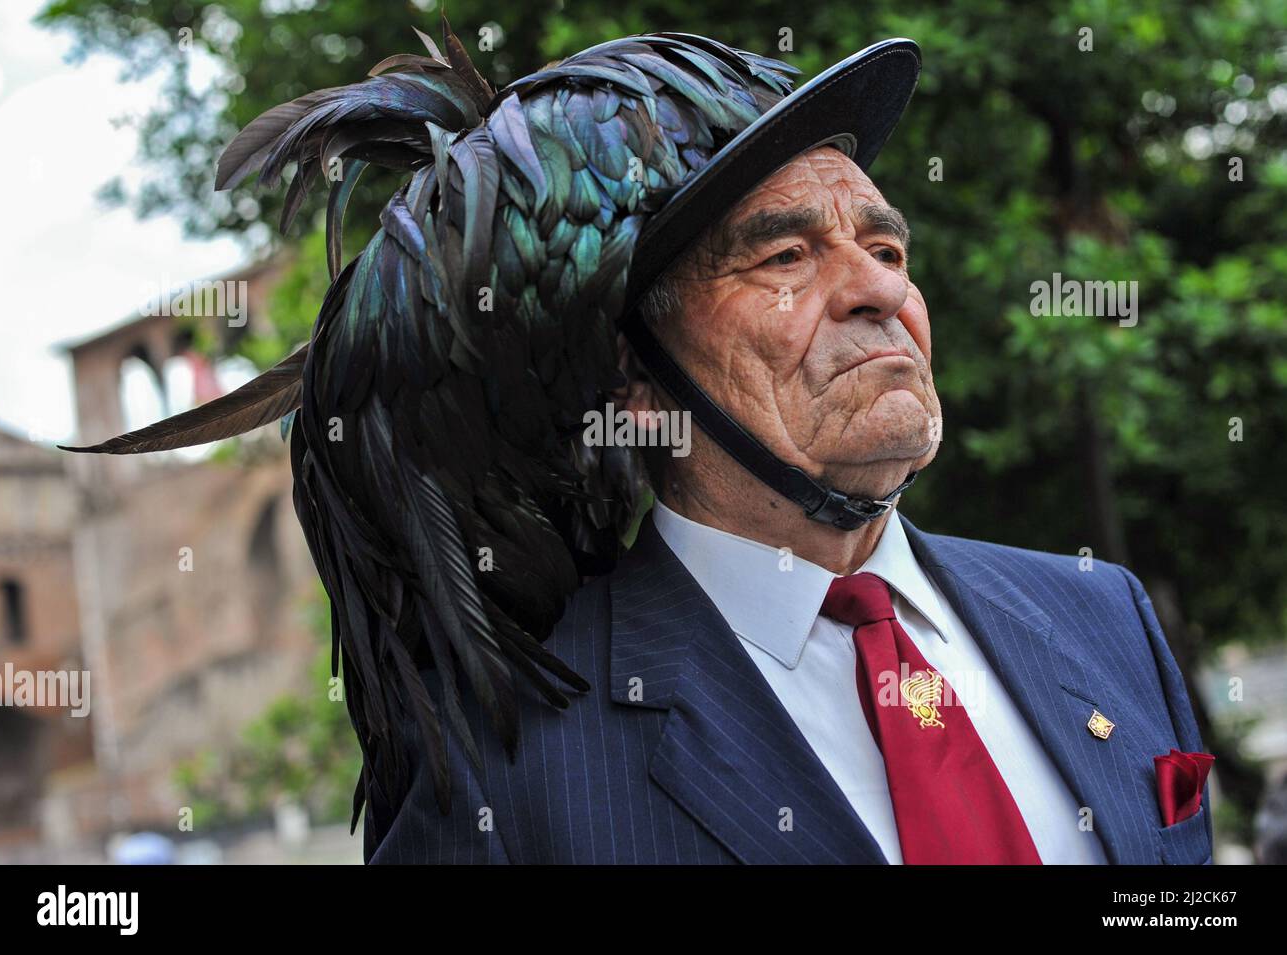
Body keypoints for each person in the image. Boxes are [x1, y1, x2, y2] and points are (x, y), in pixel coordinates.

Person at [67, 24, 1212, 865]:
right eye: (784, 259)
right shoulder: (504, 779)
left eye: (886, 247)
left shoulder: (1099, 615)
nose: (875, 292)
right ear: (632, 374)